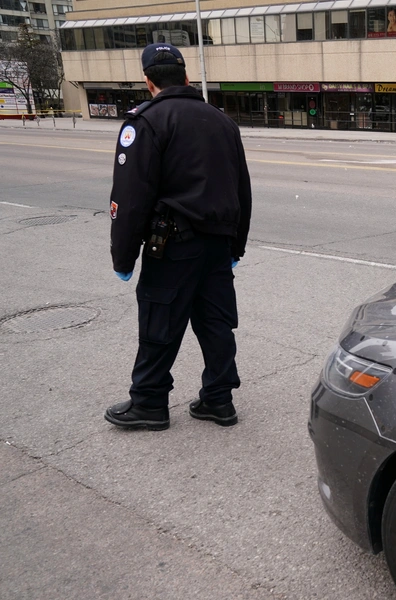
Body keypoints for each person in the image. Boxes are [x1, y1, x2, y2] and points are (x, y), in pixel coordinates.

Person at [104, 43, 252, 431]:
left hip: (172, 245)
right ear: (187, 77)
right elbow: (242, 190)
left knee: (159, 322)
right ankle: (219, 400)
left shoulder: (146, 121)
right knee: (216, 323)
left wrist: (123, 258)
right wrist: (236, 245)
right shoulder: (221, 121)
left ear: (148, 81)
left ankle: (150, 403)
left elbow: (130, 197)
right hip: (217, 244)